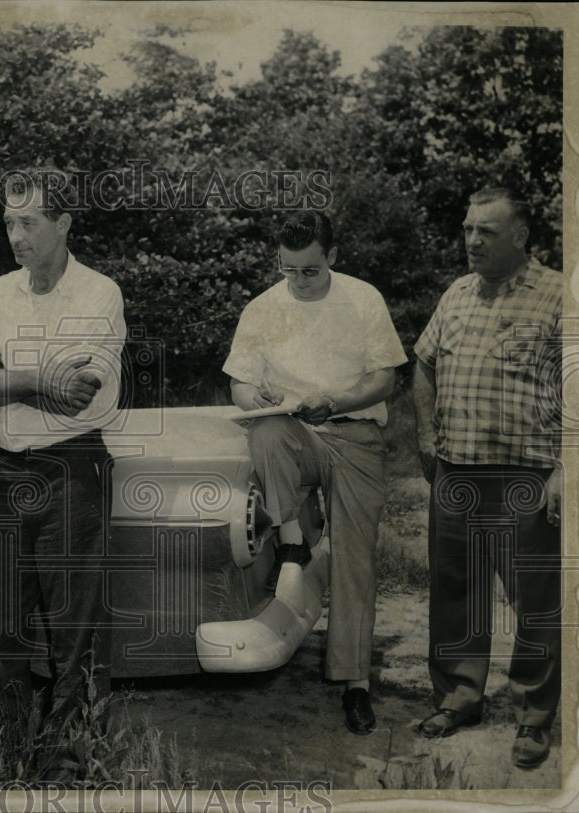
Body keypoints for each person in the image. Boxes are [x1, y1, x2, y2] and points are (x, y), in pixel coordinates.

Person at [0, 168, 126, 775]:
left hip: (71, 467)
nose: (15, 235)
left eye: (29, 222)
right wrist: (36, 380)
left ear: (64, 224)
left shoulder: (99, 293)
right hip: (0, 470)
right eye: (8, 222)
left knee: (75, 625)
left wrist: (10, 382)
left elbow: (78, 393)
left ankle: (66, 763)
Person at [223, 209, 407, 735]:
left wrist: (336, 400)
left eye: (309, 270)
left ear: (332, 257)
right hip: (295, 434)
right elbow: (238, 385)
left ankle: (354, 683)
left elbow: (385, 379)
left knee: (354, 558)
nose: (298, 281)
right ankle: (292, 539)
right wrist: (252, 394)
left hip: (354, 433)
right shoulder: (262, 309)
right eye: (288, 271)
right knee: (264, 431)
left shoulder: (363, 298)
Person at [413, 187, 562, 769]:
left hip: (529, 471)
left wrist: (566, 469)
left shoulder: (559, 297)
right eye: (468, 229)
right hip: (458, 469)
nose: (472, 241)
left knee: (536, 599)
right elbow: (423, 362)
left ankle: (533, 717)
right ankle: (458, 697)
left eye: (487, 232)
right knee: (457, 591)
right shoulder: (455, 293)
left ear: (520, 237)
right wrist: (426, 438)